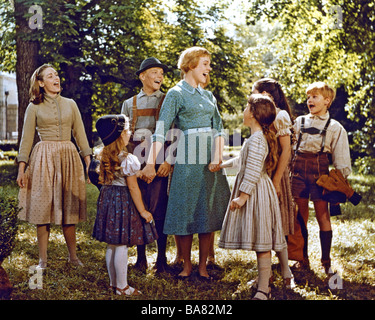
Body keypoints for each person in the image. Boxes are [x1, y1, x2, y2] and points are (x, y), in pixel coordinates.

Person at [142, 47, 231, 280]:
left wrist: (217, 157)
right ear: (191, 64)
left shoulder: (208, 96)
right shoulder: (175, 94)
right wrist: (151, 163)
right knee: (184, 209)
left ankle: (203, 267)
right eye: (205, 63)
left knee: (207, 211)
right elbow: (161, 131)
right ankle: (187, 265)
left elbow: (219, 129)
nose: (209, 68)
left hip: (209, 160)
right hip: (187, 158)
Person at [16, 64, 92, 269]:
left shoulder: (71, 104)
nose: (56, 79)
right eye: (50, 76)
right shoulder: (34, 107)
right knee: (43, 210)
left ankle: (73, 257)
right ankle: (43, 260)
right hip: (43, 159)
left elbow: (81, 135)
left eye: (57, 75)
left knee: (69, 208)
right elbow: (26, 139)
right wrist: (21, 169)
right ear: (41, 83)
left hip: (68, 157)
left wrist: (88, 162)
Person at [219, 94, 290, 300]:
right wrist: (222, 164)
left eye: (246, 107)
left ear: (253, 114)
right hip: (256, 191)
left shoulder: (258, 140)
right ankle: (263, 283)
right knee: (261, 240)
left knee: (263, 242)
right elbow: (243, 159)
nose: (243, 111)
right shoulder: (255, 138)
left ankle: (263, 289)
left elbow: (251, 170)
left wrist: (242, 197)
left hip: (256, 192)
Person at [288, 82, 352, 275]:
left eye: (315, 97)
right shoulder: (299, 122)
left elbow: (341, 156)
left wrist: (339, 180)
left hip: (320, 175)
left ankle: (326, 260)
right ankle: (302, 258)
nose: (310, 100)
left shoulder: (334, 127)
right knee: (299, 216)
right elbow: (290, 148)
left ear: (327, 101)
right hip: (298, 173)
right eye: (308, 97)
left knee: (323, 215)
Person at [92, 114, 158, 296]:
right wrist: (143, 210)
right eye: (128, 129)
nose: (130, 132)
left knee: (111, 245)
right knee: (121, 244)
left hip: (107, 201)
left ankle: (113, 283)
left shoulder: (102, 156)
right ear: (121, 135)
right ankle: (122, 287)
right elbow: (133, 188)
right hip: (121, 203)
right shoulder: (128, 159)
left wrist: (135, 174)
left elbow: (116, 177)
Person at [121, 57, 172, 273]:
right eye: (154, 72)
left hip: (160, 159)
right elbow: (122, 136)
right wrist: (131, 164)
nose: (159, 76)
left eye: (161, 73)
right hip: (136, 160)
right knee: (138, 206)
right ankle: (140, 258)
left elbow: (174, 132)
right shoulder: (129, 103)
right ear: (142, 76)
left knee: (161, 208)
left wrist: (169, 161)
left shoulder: (169, 99)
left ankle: (161, 259)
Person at [252, 78, 295, 236]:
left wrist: (276, 181)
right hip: (264, 169)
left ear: (264, 94)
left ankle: (282, 255)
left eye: (253, 93)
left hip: (276, 170)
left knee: (278, 211)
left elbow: (286, 150)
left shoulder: (280, 115)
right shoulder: (261, 117)